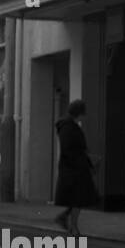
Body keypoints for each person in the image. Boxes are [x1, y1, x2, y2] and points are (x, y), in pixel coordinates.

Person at [54, 99, 97, 234]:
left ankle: (68, 221)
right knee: (79, 198)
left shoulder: (70, 126)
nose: (84, 116)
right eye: (82, 113)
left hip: (76, 167)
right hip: (73, 169)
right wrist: (83, 161)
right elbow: (70, 149)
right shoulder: (68, 127)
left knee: (79, 198)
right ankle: (72, 226)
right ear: (78, 113)